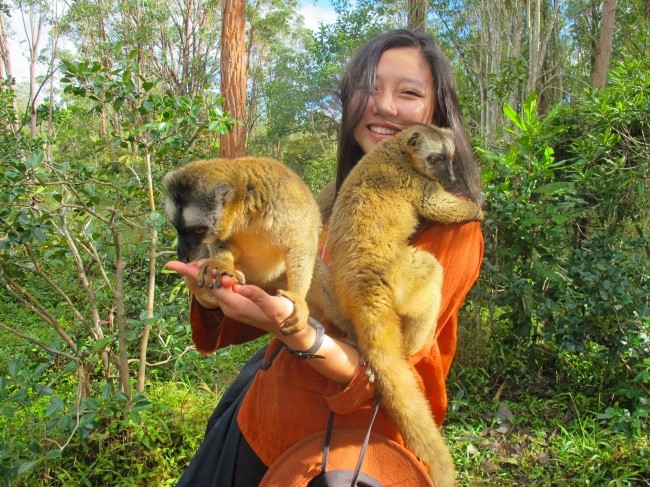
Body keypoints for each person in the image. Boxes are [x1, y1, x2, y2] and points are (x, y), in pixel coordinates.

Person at [166, 28, 484, 486]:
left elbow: (389, 370)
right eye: (369, 89)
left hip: (346, 459)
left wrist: (299, 333)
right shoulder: (339, 192)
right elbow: (272, 293)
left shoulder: (454, 227)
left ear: (433, 114)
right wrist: (216, 292)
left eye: (408, 93)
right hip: (259, 427)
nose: (386, 107)